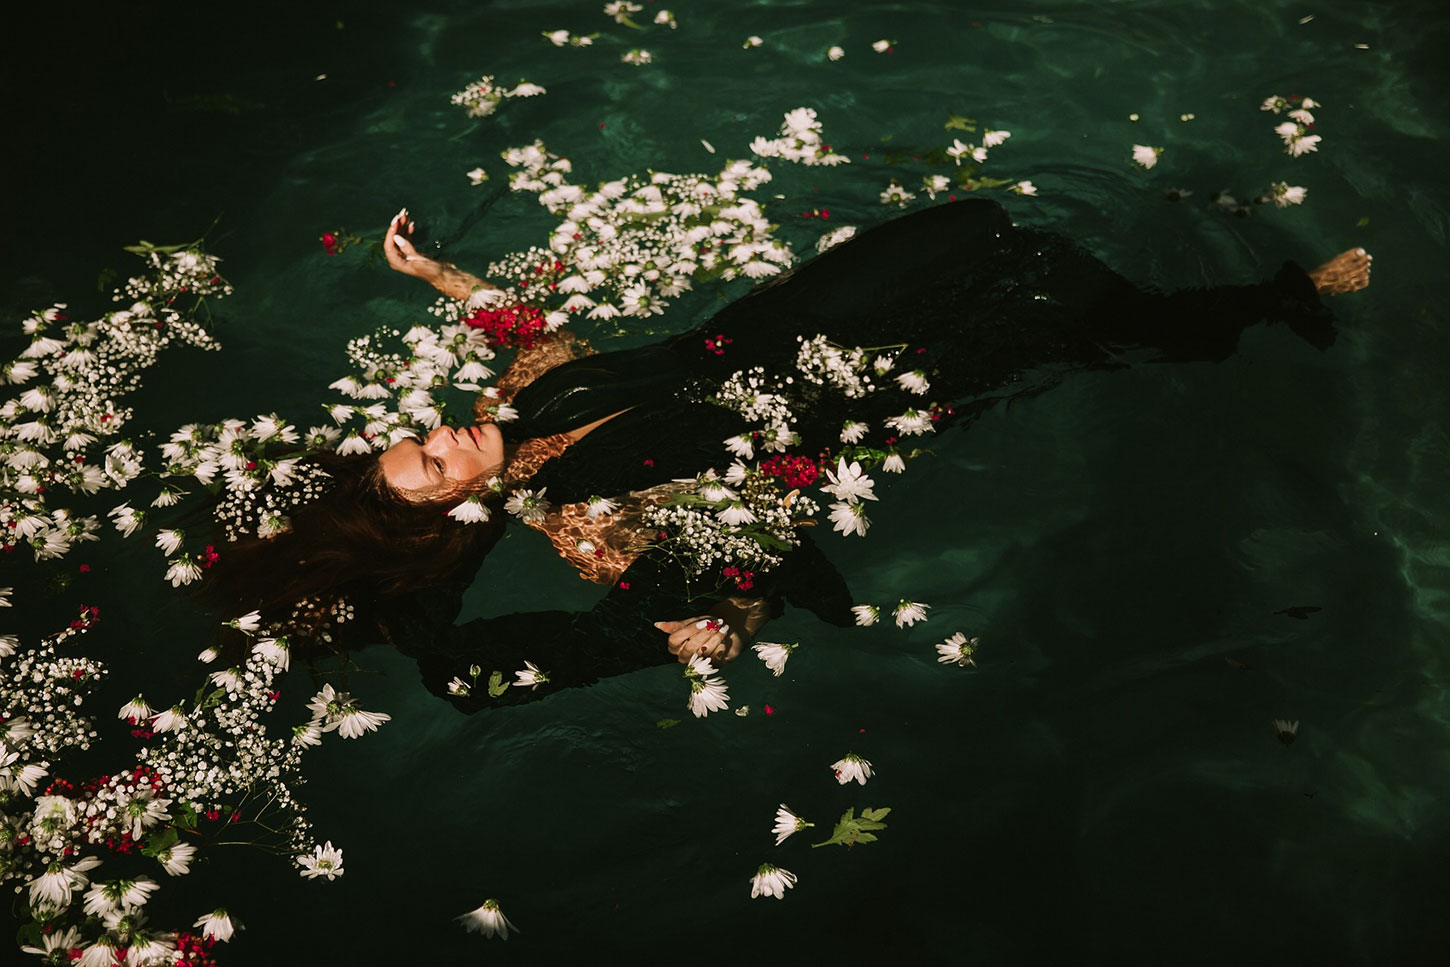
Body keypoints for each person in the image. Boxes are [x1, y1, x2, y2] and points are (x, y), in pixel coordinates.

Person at [207, 199, 1370, 711]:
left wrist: (439, 278)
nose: (438, 437)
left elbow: (530, 332)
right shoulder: (572, 516)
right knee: (1059, 307)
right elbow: (720, 561)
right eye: (433, 464)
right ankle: (1266, 303)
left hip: (774, 329)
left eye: (414, 439)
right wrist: (721, 629)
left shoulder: (515, 395)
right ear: (453, 511)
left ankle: (1172, 318)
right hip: (845, 405)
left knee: (981, 231)